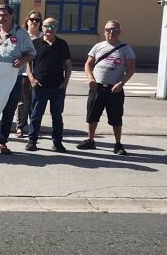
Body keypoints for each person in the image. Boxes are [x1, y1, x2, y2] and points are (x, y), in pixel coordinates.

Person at [0, 4, 36, 155]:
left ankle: (2, 142)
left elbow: (31, 53)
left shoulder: (22, 34)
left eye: (4, 15)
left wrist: (22, 60)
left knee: (9, 111)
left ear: (11, 16)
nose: (1, 18)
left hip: (13, 79)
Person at [77, 20, 136, 155]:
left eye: (114, 30)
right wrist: (91, 79)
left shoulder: (126, 48)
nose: (111, 32)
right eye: (108, 30)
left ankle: (118, 144)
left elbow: (131, 68)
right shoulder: (98, 47)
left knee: (116, 117)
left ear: (119, 32)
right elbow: (88, 65)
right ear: (104, 31)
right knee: (92, 115)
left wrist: (122, 83)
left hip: (115, 89)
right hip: (97, 88)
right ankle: (90, 140)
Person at [26, 17, 72, 152]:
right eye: (47, 26)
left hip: (58, 87)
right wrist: (31, 79)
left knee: (57, 116)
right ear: (42, 27)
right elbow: (28, 62)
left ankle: (57, 142)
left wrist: (66, 81)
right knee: (36, 115)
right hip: (39, 87)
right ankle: (32, 141)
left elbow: (68, 65)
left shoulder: (62, 44)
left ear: (57, 28)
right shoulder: (35, 43)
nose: (50, 29)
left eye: (53, 26)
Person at [16, 10, 44, 138]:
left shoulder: (44, 37)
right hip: (23, 74)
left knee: (36, 102)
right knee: (23, 102)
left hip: (39, 75)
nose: (34, 22)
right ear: (27, 21)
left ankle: (34, 128)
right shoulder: (22, 35)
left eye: (37, 20)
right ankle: (20, 127)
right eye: (31, 19)